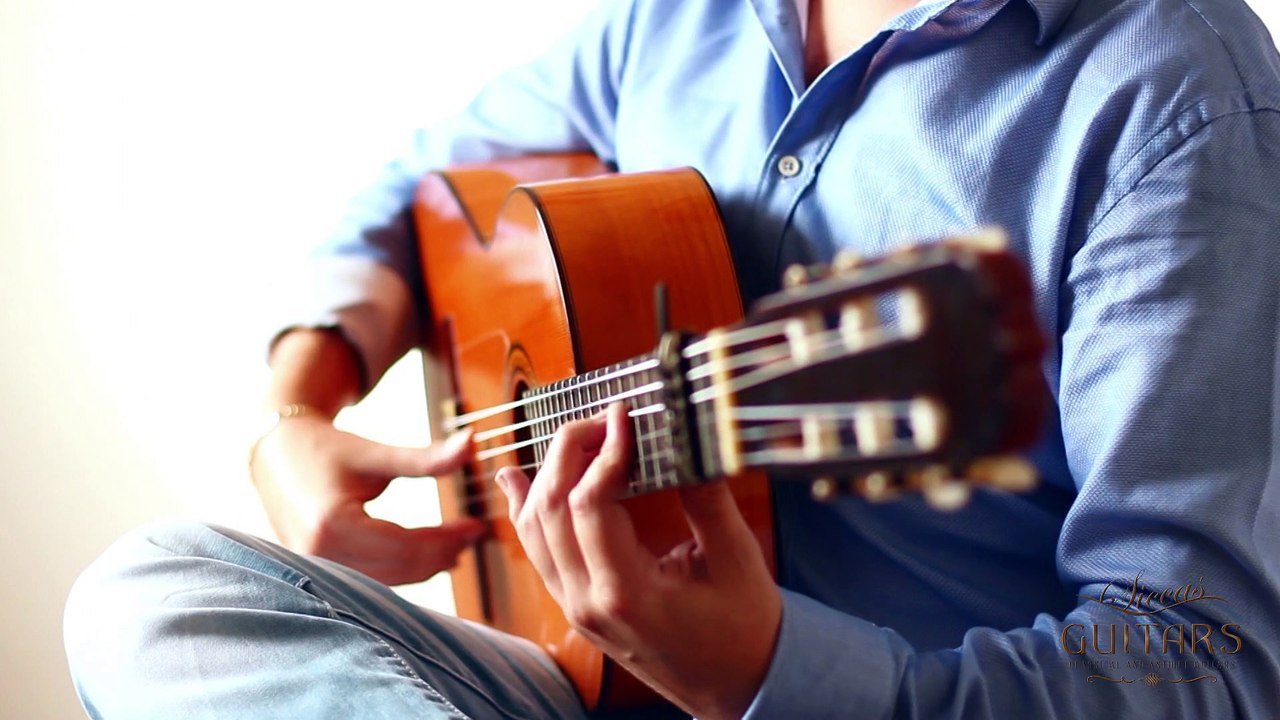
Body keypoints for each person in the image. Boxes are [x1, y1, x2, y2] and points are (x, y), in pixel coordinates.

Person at [64, 0, 1280, 717]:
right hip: (606, 689)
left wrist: (765, 673)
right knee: (153, 598)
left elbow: (1204, 659)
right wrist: (301, 403)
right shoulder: (675, 20)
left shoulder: (1169, 93)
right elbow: (411, 185)